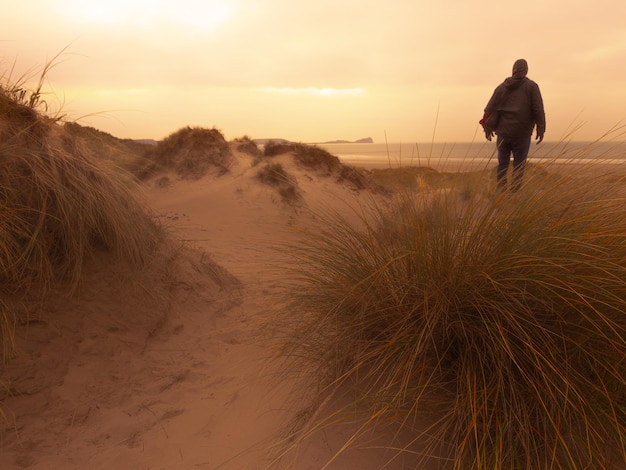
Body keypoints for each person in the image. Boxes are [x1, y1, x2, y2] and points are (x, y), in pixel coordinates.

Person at [480, 59, 546, 191]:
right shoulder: (532, 87)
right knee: (519, 165)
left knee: (502, 164)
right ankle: (514, 193)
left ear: (513, 70)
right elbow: (538, 109)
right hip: (522, 134)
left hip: (503, 133)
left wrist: (487, 129)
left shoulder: (501, 87)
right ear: (526, 70)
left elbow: (489, 108)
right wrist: (541, 128)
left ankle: (501, 192)